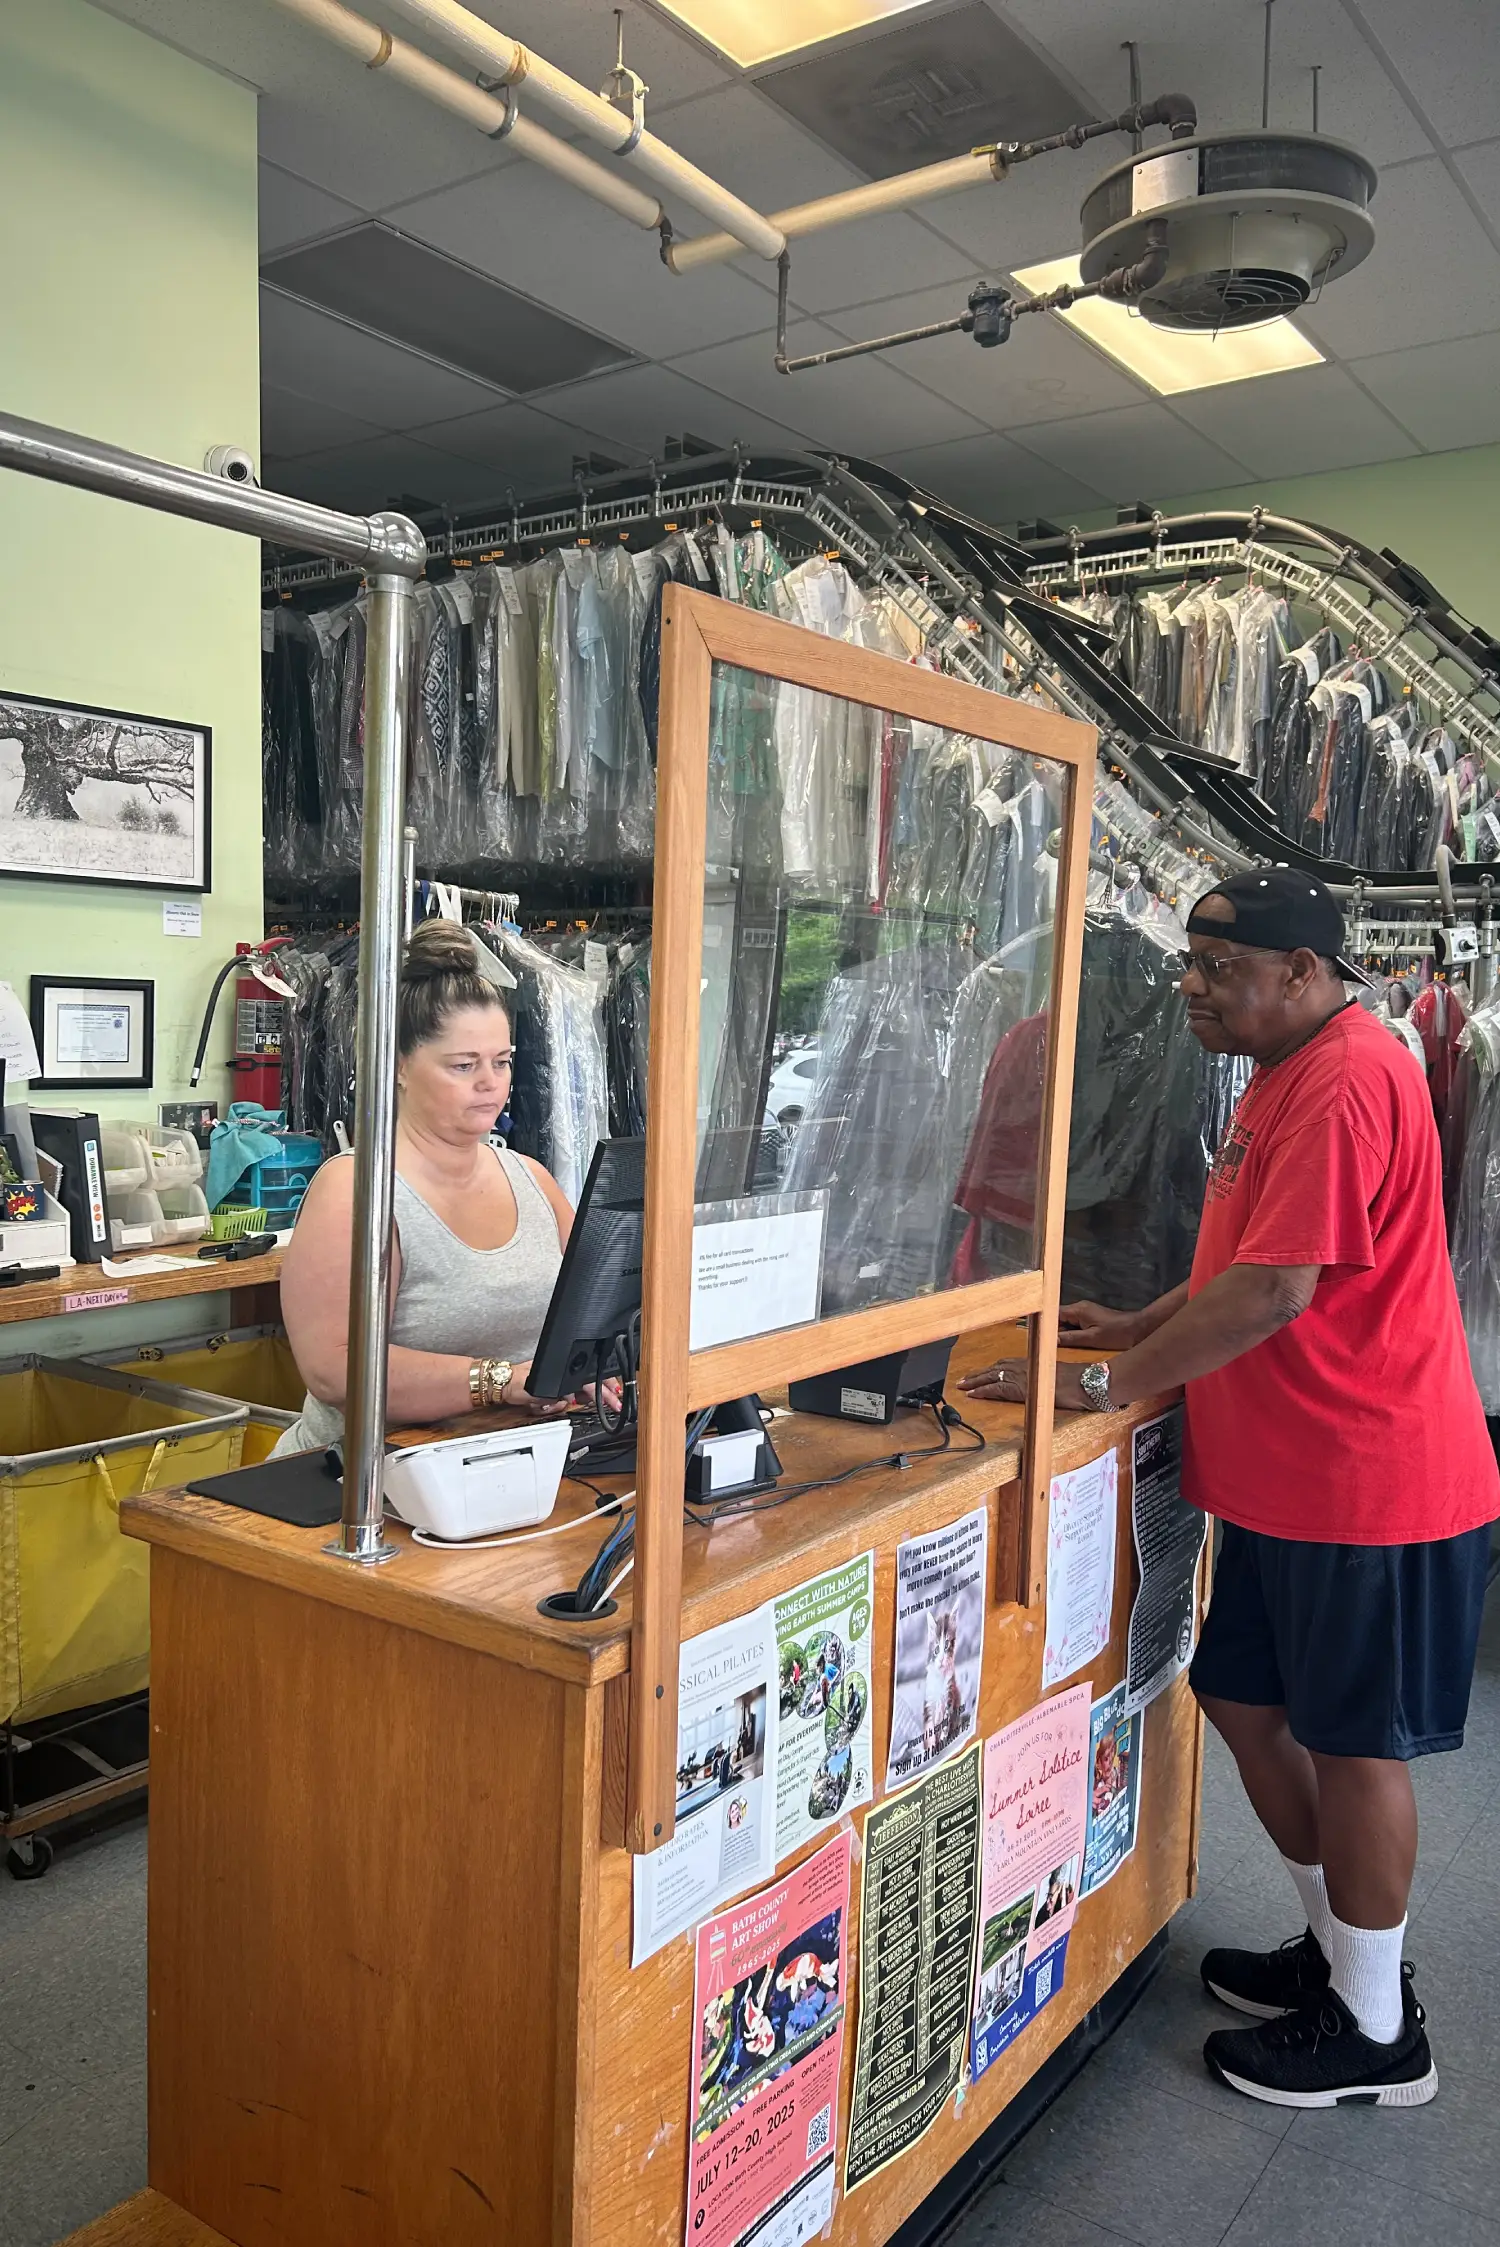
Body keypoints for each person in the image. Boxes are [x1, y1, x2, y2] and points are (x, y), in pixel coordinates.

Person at [962, 868, 1497, 2111]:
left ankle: (1378, 2032)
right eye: (1189, 966)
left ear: (1302, 974)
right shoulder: (1283, 1072)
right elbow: (1246, 1257)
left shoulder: (1353, 1075)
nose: (1192, 989)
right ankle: (1345, 1956)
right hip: (1291, 1477)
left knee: (1357, 1744)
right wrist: (1140, 1321)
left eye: (1218, 968)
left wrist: (1111, 1387)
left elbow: (1274, 1295)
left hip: (1373, 1479)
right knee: (1242, 1696)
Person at [274, 920, 577, 1456]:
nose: (491, 1083)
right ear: (399, 1066)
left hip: (506, 1464)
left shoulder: (533, 1181)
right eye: (464, 1066)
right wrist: (497, 1382)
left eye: (502, 1062)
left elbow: (591, 1316)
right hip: (351, 1483)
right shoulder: (356, 1192)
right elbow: (335, 1368)